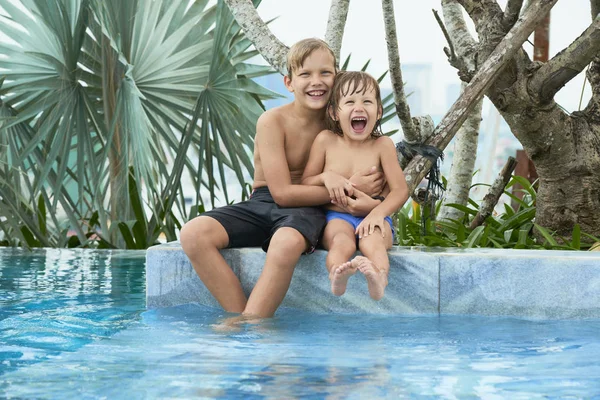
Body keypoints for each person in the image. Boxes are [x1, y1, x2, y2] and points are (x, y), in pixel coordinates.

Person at [179, 39, 385, 319]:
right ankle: (239, 318)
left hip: (309, 210)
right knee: (193, 234)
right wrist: (348, 187)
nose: (317, 81)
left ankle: (251, 323)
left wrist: (361, 193)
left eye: (325, 73)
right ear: (289, 83)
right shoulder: (272, 121)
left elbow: (373, 166)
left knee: (285, 243)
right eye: (305, 74)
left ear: (336, 77)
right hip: (265, 200)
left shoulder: (341, 123)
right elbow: (282, 194)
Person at [301, 71, 409, 300]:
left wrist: (378, 214)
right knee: (340, 242)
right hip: (336, 218)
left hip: (375, 217)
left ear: (378, 111)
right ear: (333, 112)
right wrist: (326, 176)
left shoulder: (382, 145)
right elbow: (306, 182)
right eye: (349, 101)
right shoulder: (326, 141)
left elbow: (400, 190)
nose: (359, 108)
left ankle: (379, 277)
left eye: (367, 102)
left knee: (374, 243)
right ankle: (337, 275)